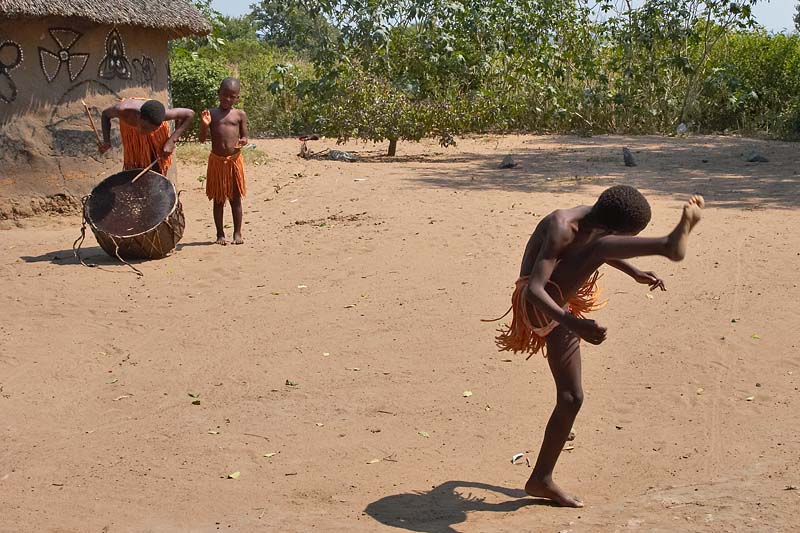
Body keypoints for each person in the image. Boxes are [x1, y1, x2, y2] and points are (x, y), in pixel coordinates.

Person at [487, 185, 704, 507]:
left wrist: (634, 271)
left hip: (559, 302)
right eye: (626, 238)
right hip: (540, 306)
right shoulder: (562, 226)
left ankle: (542, 476)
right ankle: (667, 245)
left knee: (571, 398)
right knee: (572, 396)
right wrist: (573, 323)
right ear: (610, 229)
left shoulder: (592, 223)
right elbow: (534, 289)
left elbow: (596, 249)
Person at [199, 78, 249, 245]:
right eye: (224, 95)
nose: (227, 99)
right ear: (218, 94)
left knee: (236, 198)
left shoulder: (240, 115)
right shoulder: (211, 114)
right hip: (217, 163)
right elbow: (201, 139)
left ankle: (237, 233)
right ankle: (220, 234)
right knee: (218, 199)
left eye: (231, 96)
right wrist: (205, 125)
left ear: (237, 98)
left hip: (234, 161)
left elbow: (245, 136)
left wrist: (243, 141)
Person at [99, 99, 194, 175]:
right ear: (138, 116)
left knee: (158, 164)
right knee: (134, 166)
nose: (146, 132)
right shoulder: (122, 110)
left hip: (155, 137)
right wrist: (106, 141)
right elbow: (105, 115)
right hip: (131, 132)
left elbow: (190, 114)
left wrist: (172, 141)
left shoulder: (164, 115)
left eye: (152, 129)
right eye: (145, 127)